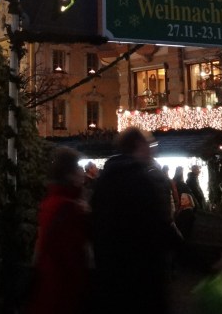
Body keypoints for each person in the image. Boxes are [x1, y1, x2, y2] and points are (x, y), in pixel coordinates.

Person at [90, 128, 178, 313]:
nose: (153, 149)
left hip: (112, 276)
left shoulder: (104, 180)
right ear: (139, 146)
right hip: (142, 277)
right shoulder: (141, 180)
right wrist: (201, 262)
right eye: (150, 144)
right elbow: (161, 227)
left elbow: (94, 224)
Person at [28, 147, 90, 314]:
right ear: (69, 174)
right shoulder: (68, 207)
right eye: (78, 168)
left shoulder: (53, 200)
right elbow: (71, 256)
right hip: (62, 291)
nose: (82, 172)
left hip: (49, 287)